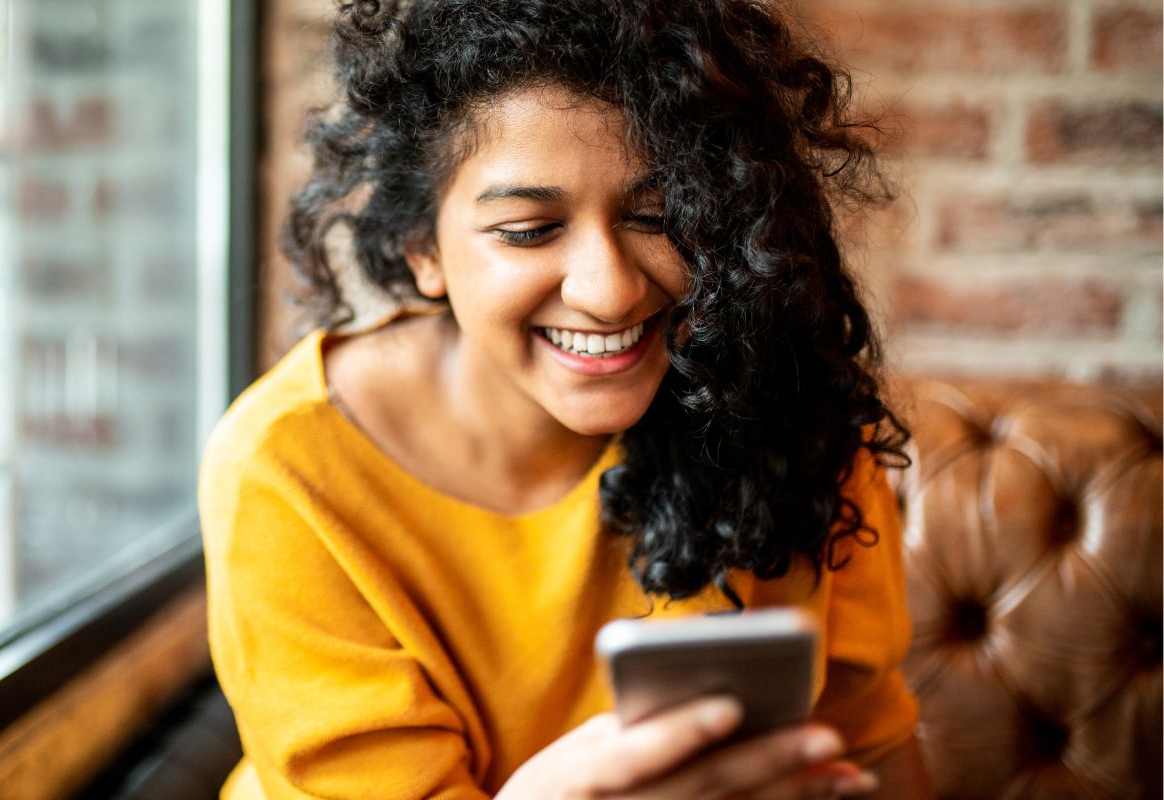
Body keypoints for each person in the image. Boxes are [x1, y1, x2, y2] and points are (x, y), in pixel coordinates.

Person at [199, 0, 935, 797]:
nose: (609, 291)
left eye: (659, 215)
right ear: (421, 247)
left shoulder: (790, 408)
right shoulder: (288, 469)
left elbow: (868, 743)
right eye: (528, 230)